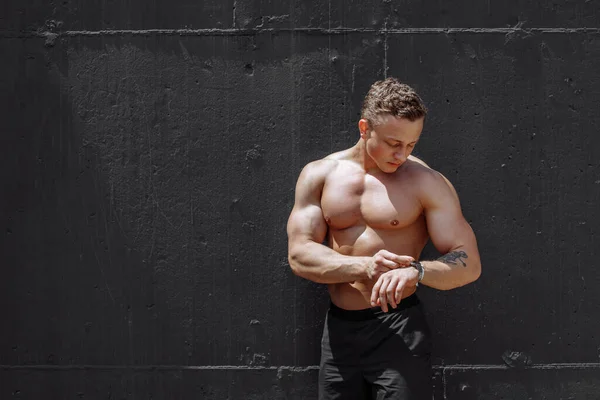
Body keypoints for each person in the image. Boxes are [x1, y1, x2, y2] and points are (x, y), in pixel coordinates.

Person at [286, 77, 482, 399]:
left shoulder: (426, 182)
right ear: (365, 129)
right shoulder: (320, 175)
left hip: (398, 329)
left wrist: (417, 271)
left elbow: (469, 262)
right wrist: (363, 267)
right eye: (394, 143)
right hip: (338, 333)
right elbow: (299, 255)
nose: (402, 154)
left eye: (411, 145)